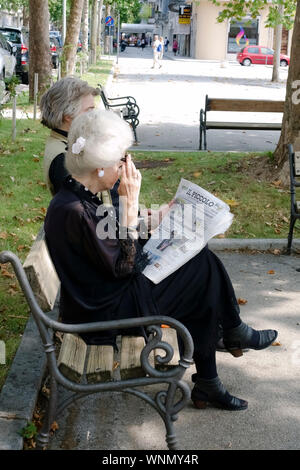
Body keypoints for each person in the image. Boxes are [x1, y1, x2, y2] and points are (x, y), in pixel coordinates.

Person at [44, 108, 278, 411]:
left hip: (108, 296)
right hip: (104, 314)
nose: (127, 166)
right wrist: (132, 202)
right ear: (101, 167)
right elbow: (123, 265)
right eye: (122, 159)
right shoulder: (73, 210)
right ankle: (225, 346)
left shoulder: (75, 196)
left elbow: (108, 239)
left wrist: (154, 219)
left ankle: (217, 364)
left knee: (198, 267)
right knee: (200, 271)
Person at [40, 76, 99, 196]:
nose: (94, 116)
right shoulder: (63, 159)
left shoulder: (71, 142)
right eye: (89, 110)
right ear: (68, 115)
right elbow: (83, 208)